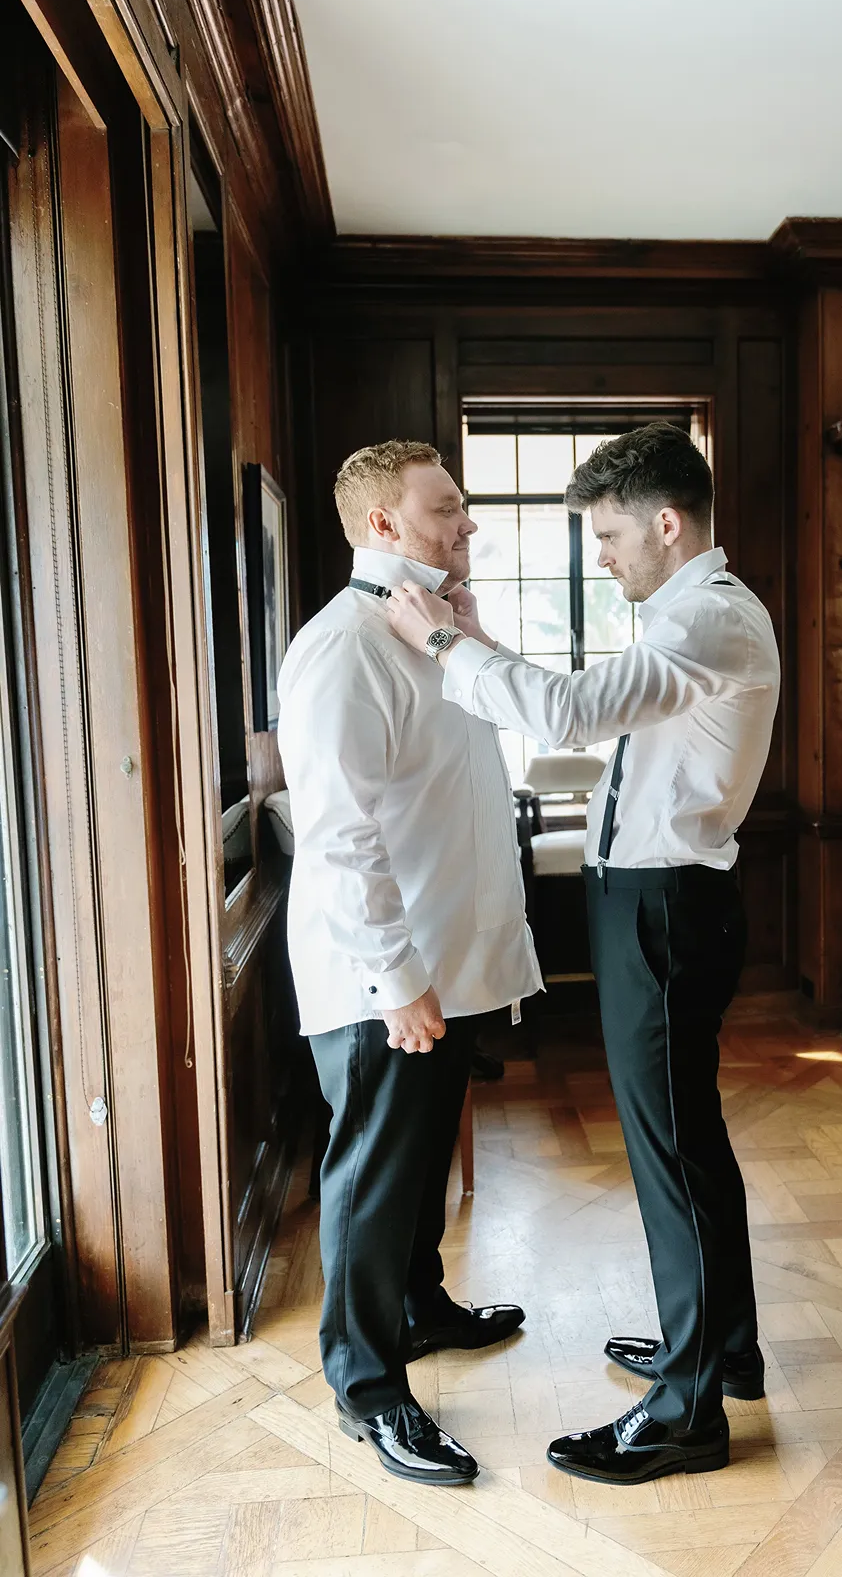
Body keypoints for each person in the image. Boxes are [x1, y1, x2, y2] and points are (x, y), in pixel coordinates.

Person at [388, 422, 780, 1486]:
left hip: (666, 910)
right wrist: (474, 636)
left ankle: (688, 1413)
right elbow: (579, 712)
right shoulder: (681, 617)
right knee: (682, 1142)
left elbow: (564, 709)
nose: (599, 555)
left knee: (671, 1153)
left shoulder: (708, 621)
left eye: (608, 535)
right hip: (652, 906)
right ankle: (718, 1350)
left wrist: (440, 640)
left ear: (665, 522)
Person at [277, 440, 542, 1487]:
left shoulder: (439, 633)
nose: (467, 525)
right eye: (447, 510)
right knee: (372, 1174)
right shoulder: (341, 649)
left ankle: (420, 1305)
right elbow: (340, 838)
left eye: (465, 508)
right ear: (383, 525)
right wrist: (399, 980)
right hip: (385, 975)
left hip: (452, 958)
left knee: (423, 1152)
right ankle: (366, 1385)